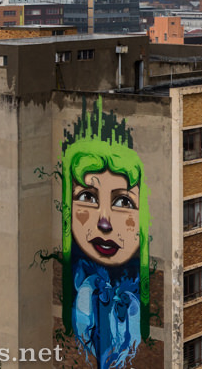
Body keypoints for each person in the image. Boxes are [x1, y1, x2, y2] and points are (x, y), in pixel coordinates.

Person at [61, 97, 150, 369]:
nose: (104, 223)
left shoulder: (133, 301)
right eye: (87, 196)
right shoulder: (79, 287)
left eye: (123, 202)